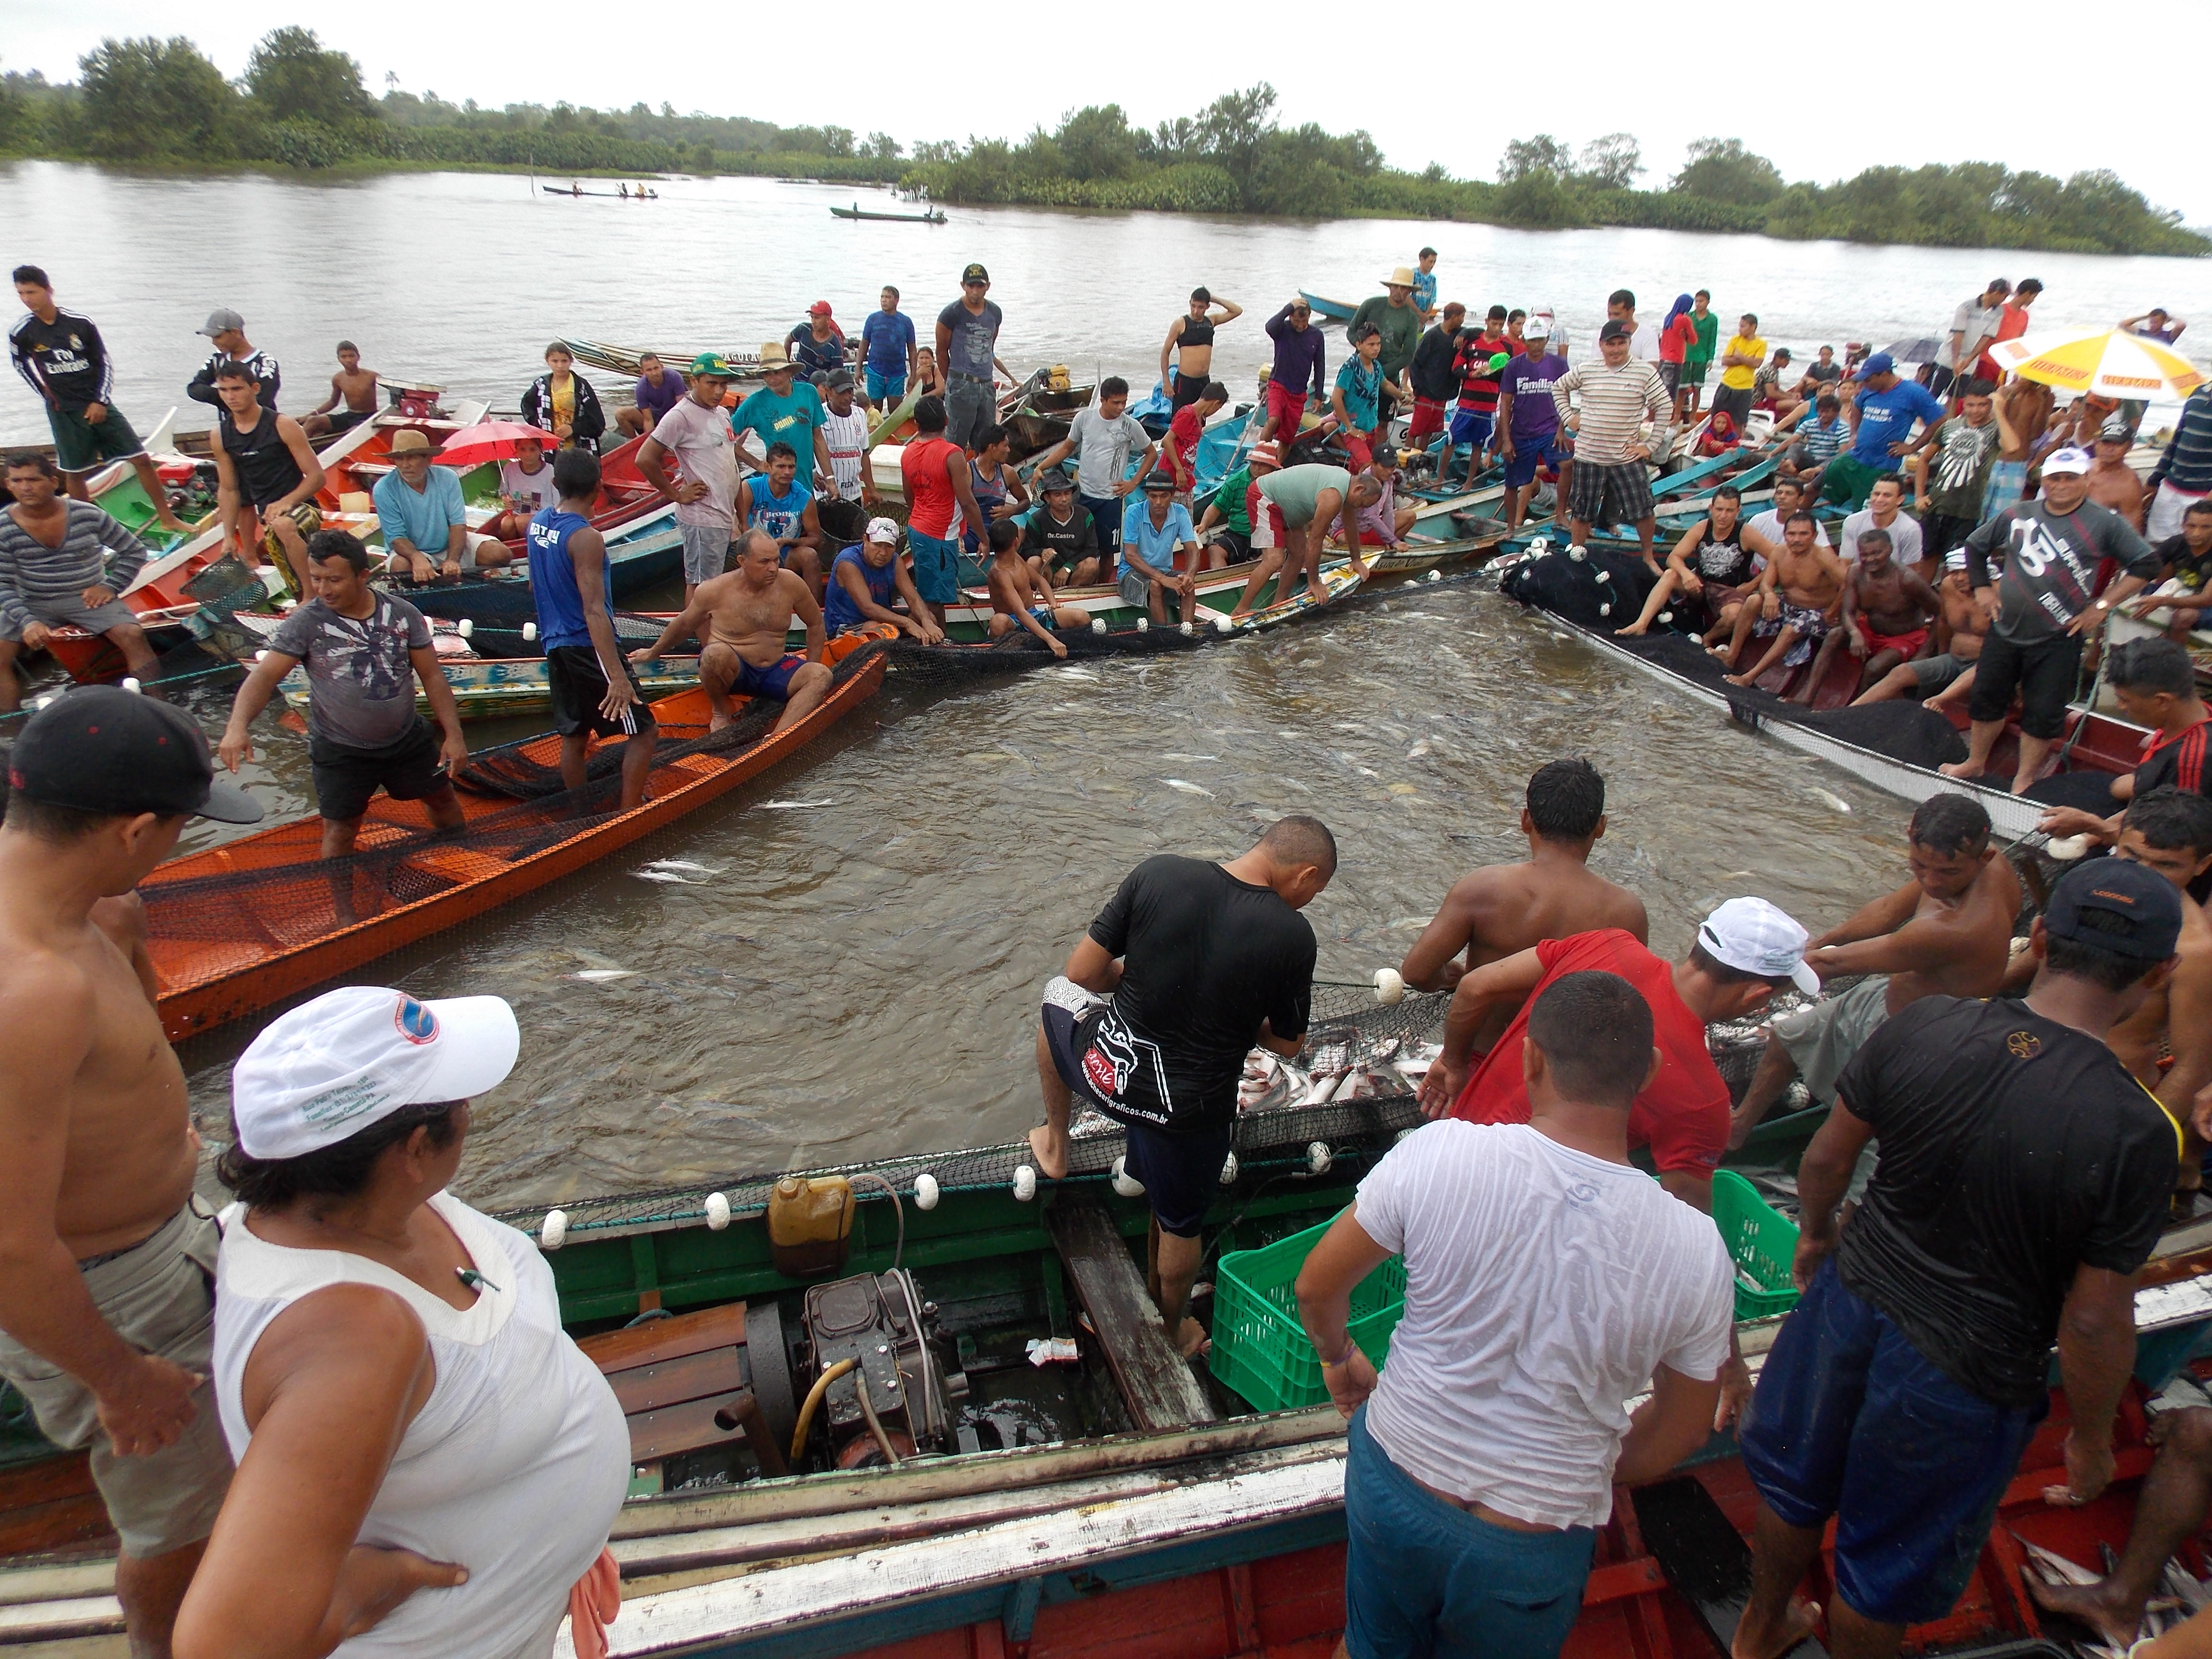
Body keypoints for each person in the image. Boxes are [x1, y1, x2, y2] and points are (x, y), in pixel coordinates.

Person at [1730, 858, 2185, 1659]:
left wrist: (1814, 1235)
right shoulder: (2135, 1130)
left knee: (1795, 1488)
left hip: (1848, 1301)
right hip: (1963, 1372)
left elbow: (1825, 1163)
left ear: (2039, 938)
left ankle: (1761, 1626)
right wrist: (2088, 1436)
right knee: (1883, 1570)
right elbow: (2089, 1315)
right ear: (2158, 974)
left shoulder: (1926, 1025)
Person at [175, 986, 627, 1659]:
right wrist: (358, 1590)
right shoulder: (357, 1340)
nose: (471, 1112)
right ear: (414, 1148)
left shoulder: (346, 1201)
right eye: (460, 1099)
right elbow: (222, 1647)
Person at [1300, 970, 1735, 1659]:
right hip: (1531, 1541)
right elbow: (1681, 1430)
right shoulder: (1696, 1249)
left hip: (1396, 1483)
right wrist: (1576, 1465)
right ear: (1649, 1072)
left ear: (1530, 1057)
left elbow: (1317, 1288)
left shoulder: (1440, 1153)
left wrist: (1340, 1359)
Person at [0, 686, 261, 1657]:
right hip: (114, 1298)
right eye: (178, 830)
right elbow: (12, 1248)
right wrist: (118, 1380)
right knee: (178, 1520)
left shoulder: (98, 911)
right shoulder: (26, 991)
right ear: (133, 828)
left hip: (175, 1230)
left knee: (233, 1464)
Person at [1029, 817, 1336, 1356]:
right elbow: (1288, 1045)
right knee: (1181, 1225)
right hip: (1187, 1115)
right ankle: (1173, 1331)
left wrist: (1127, 981)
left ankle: (1056, 1145)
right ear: (1307, 876)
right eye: (1316, 892)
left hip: (1108, 1076)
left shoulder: (1159, 874)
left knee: (1055, 995)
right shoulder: (1293, 936)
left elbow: (1082, 971)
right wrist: (1246, 1021)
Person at [1418, 896, 1819, 1218]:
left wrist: (1452, 1064)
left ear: (1699, 943)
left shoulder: (1605, 943)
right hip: (1519, 1223)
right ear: (1757, 997)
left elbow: (1475, 986)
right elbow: (1685, 1226)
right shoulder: (1704, 1101)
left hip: (1445, 1161)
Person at [1730, 793, 2019, 1147]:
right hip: (1889, 996)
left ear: (1984, 858)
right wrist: (1820, 941)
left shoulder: (1956, 930)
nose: (1931, 882)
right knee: (1786, 1038)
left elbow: (1831, 965)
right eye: (1919, 867)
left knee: (1850, 1136)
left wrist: (1735, 996)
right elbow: (1886, 913)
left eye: (1947, 873)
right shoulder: (1962, 860)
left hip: (1923, 1041)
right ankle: (1739, 1128)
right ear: (1911, 837)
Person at [219, 529, 468, 858]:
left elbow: (433, 676)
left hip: (406, 738)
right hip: (341, 750)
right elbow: (263, 678)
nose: (323, 590)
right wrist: (237, 727)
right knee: (341, 829)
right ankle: (345, 909)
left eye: (334, 580)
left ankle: (461, 857)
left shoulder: (402, 613)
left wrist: (454, 734)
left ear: (362, 575)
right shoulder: (306, 623)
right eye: (316, 579)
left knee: (442, 799)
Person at [1939, 447, 2160, 793]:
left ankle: (2024, 777)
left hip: (2060, 633)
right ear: (2044, 481)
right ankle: (1975, 762)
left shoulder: (2104, 522)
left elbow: (2147, 565)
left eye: (2070, 478)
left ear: (2086, 480)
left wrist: (2101, 607)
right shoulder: (2018, 514)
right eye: (2055, 478)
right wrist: (1982, 588)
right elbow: (1976, 545)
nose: (2061, 485)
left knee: (2043, 712)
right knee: (1987, 696)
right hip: (2006, 626)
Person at [1398, 757, 1648, 1026]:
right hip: (1567, 1065)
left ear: (1525, 819)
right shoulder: (1628, 912)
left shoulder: (1483, 888)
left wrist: (1452, 979)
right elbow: (1627, 1004)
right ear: (1601, 826)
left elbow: (1417, 972)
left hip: (1484, 1058)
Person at [9, 267, 191, 531]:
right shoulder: (21, 331)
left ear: (49, 291)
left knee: (140, 458)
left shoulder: (80, 323)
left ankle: (167, 518)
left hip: (97, 403)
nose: (27, 299)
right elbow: (21, 366)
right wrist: (45, 393)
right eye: (21, 294)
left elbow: (104, 362)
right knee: (74, 473)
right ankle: (89, 530)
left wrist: (101, 402)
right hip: (64, 412)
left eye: (32, 292)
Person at [528, 449, 656, 811]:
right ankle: (629, 812)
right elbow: (594, 611)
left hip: (555, 644)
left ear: (556, 484)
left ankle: (580, 812)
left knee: (576, 733)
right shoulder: (586, 538)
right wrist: (617, 676)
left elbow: (536, 583)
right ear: (599, 487)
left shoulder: (537, 523)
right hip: (588, 646)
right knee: (644, 732)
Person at [631, 527, 831, 734]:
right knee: (714, 654)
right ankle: (720, 712)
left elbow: (816, 623)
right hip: (734, 673)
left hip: (775, 669)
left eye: (775, 560)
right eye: (764, 562)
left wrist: (811, 663)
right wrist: (653, 652)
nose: (773, 568)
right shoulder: (714, 590)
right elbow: (683, 624)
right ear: (742, 562)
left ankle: (779, 736)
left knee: (820, 675)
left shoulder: (790, 583)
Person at [0, 451, 158, 710]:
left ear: (53, 482)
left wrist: (110, 586)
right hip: (34, 601)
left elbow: (134, 551)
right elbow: (3, 584)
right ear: (8, 485)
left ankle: (157, 707)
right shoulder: (3, 526)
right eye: (16, 481)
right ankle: (10, 727)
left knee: (132, 635)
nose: (25, 487)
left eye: (33, 479)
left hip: (86, 596)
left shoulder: (87, 514)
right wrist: (28, 622)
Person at [2035, 637, 2212, 838]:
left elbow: (2172, 844)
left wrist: (2094, 827)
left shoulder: (2194, 762)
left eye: (2124, 700)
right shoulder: (2187, 719)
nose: (2121, 707)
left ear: (2162, 701)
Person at [1549, 321, 1673, 566]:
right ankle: (1577, 555)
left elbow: (1665, 407)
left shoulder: (1644, 372)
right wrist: (1569, 417)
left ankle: (1648, 556)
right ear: (1601, 346)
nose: (1616, 349)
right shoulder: (1587, 369)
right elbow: (1558, 388)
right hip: (1588, 454)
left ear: (1629, 343)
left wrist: (1649, 446)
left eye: (1622, 343)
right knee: (1582, 511)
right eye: (1611, 344)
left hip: (1626, 456)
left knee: (1644, 510)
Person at [634, 352, 743, 606]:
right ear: (694, 382)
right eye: (711, 383)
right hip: (702, 516)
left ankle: (710, 637)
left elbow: (731, 464)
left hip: (724, 514)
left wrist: (741, 516)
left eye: (723, 384)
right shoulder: (680, 416)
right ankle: (705, 644)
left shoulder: (722, 414)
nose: (718, 391)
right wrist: (677, 495)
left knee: (714, 583)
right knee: (700, 586)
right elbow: (645, 459)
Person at [210, 361, 324, 595]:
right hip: (268, 516)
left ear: (255, 388)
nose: (230, 397)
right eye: (224, 391)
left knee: (283, 525)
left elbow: (317, 477)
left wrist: (287, 502)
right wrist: (230, 537)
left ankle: (310, 596)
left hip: (302, 506)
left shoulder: (282, 425)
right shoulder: (220, 435)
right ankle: (302, 595)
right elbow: (230, 490)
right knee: (277, 530)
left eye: (237, 389)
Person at [1723, 513, 1848, 702]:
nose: (1796, 539)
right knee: (1753, 601)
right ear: (1785, 534)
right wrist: (1770, 595)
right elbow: (1766, 584)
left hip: (1819, 612)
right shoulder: (1779, 552)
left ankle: (1749, 677)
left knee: (1791, 629)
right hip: (1789, 605)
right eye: (1792, 534)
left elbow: (1848, 584)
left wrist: (1832, 611)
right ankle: (1731, 655)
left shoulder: (1823, 557)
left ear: (1814, 536)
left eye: (1803, 534)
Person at [1029, 377, 1157, 561]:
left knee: (1107, 551)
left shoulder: (1131, 426)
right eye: (1116, 403)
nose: (1121, 408)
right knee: (1079, 545)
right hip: (1083, 495)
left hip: (1111, 499)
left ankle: (1101, 585)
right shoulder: (1084, 418)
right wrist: (1040, 467)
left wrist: (1133, 483)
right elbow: (1067, 448)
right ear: (1103, 400)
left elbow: (1151, 453)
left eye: (1124, 402)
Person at [1235, 459, 1378, 616]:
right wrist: (1314, 583)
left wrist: (1356, 560)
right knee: (1274, 560)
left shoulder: (1347, 485)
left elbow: (1350, 526)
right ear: (1359, 489)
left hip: (1287, 507)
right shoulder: (1333, 497)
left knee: (1299, 553)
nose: (1361, 508)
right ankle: (1240, 611)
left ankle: (1279, 603)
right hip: (1264, 497)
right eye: (1363, 504)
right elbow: (1315, 542)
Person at [1613, 485, 1756, 642]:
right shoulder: (1702, 528)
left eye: (1729, 511)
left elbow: (1776, 558)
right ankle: (1641, 624)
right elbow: (1673, 558)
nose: (1723, 516)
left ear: (1738, 511)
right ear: (1711, 508)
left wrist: (1753, 585)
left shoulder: (1746, 533)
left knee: (1734, 616)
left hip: (1730, 591)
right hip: (1701, 585)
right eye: (1719, 509)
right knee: (1670, 574)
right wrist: (1686, 573)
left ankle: (1707, 638)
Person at [1855, 550, 1991, 708]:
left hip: (1986, 664)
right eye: (1955, 573)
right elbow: (1944, 623)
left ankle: (1939, 700)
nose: (1960, 578)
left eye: (1966, 572)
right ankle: (1847, 712)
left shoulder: (1997, 592)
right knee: (1901, 672)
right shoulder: (1949, 586)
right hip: (1954, 659)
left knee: (1984, 667)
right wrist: (1940, 655)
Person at [897, 395, 987, 630]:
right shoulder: (952, 454)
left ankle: (920, 637)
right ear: (947, 420)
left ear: (916, 424)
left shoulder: (907, 453)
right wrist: (984, 539)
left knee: (931, 594)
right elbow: (967, 503)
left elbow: (910, 497)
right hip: (938, 536)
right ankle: (939, 646)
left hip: (917, 528)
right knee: (935, 601)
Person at [373, 429, 506, 583]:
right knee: (401, 567)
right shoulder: (384, 489)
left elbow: (458, 525)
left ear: (429, 460)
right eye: (399, 459)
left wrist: (452, 560)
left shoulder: (448, 478)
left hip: (447, 544)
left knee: (500, 554)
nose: (405, 465)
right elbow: (396, 538)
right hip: (410, 552)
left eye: (411, 458)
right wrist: (417, 558)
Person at [1824, 353, 1947, 512]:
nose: (1865, 383)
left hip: (1883, 463)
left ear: (1885, 375)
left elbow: (1939, 420)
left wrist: (1912, 447)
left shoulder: (1914, 392)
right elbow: (1856, 407)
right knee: (1824, 480)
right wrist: (1854, 433)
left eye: (1869, 379)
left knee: (1867, 508)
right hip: (1857, 455)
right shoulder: (1868, 390)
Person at [1834, 528, 1941, 693]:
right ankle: (1807, 698)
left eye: (1877, 553)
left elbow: (1942, 613)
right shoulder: (1855, 573)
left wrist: (1925, 652)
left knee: (1874, 668)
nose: (1870, 559)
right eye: (1865, 555)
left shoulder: (1908, 580)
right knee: (1833, 636)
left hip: (1905, 637)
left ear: (1890, 550)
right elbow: (1848, 611)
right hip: (1871, 629)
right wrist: (1855, 633)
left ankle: (1858, 709)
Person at [1911, 380, 1999, 561]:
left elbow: (2012, 447)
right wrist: (1920, 496)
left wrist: (2001, 410)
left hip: (1971, 509)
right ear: (1963, 404)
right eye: (1970, 405)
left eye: (1983, 405)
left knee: (1956, 561)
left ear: (1991, 404)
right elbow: (1924, 460)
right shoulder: (1950, 426)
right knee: (1926, 557)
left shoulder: (1997, 429)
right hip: (1938, 503)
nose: (1976, 410)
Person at [1496, 320, 1570, 530]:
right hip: (1522, 431)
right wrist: (1507, 440)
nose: (1536, 345)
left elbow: (1566, 397)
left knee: (1567, 464)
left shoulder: (1559, 364)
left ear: (1546, 340)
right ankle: (1511, 526)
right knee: (1511, 483)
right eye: (1532, 340)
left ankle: (1561, 514)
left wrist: (1562, 429)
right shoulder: (1514, 366)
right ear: (1524, 341)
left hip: (1550, 429)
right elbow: (1506, 404)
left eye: (1540, 340)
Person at [825, 517, 942, 643]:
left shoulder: (895, 561)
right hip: (846, 626)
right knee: (877, 629)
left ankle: (915, 660)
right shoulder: (848, 562)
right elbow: (868, 608)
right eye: (877, 545)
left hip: (882, 620)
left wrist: (927, 621)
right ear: (866, 540)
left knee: (928, 618)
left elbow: (913, 598)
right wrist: (907, 623)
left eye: (889, 547)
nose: (883, 553)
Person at [732, 343, 831, 483]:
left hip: (805, 483)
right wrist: (757, 464)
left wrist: (830, 478)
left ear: (789, 372)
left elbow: (818, 438)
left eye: (777, 372)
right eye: (767, 374)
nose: (772, 379)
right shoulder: (755, 403)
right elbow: (725, 438)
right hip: (776, 485)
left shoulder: (808, 393)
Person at [735, 441, 823, 598]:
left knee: (810, 556)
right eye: (781, 466)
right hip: (754, 552)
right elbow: (740, 525)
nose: (787, 472)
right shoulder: (750, 488)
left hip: (786, 553)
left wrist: (788, 542)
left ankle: (813, 611)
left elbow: (816, 539)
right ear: (768, 467)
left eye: (791, 467)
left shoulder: (804, 497)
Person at [936, 263, 1009, 450]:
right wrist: (952, 381)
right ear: (963, 286)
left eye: (980, 286)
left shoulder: (995, 313)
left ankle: (979, 478)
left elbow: (990, 345)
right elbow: (941, 352)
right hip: (961, 383)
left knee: (986, 442)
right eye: (971, 286)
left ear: (988, 286)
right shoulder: (951, 314)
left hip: (986, 384)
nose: (975, 291)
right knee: (955, 441)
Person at [984, 518, 1083, 653]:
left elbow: (1040, 581)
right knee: (998, 622)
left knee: (1081, 616)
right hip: (1014, 622)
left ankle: (1043, 637)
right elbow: (1019, 613)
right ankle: (1023, 643)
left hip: (1034, 615)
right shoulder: (999, 573)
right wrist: (1050, 640)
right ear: (1016, 541)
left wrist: (1053, 603)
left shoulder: (1016, 558)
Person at [1118, 470, 1202, 625]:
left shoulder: (1180, 512)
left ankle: (1187, 631)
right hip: (1130, 574)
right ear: (1147, 496)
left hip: (1164, 571)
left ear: (1171, 495)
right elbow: (1130, 555)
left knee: (1187, 585)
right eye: (1153, 496)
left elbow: (1193, 550)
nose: (1158, 502)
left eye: (1164, 496)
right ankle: (1165, 634)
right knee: (1156, 585)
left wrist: (1189, 576)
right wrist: (1163, 579)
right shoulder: (1133, 512)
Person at [1349, 271, 1425, 427]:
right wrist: (1366, 357)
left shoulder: (1411, 318)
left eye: (1404, 288)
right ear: (1389, 287)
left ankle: (1379, 452)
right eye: (1395, 286)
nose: (1399, 291)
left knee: (1383, 422)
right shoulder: (1371, 305)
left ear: (1410, 292)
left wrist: (1381, 371)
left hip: (1390, 377)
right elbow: (1351, 333)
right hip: (1360, 373)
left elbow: (1408, 355)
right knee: (1355, 418)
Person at [1447, 306, 1513, 482]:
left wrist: (1492, 372)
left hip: (1489, 405)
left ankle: (1469, 483)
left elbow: (1507, 377)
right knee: (1451, 440)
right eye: (1494, 324)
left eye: (1500, 325)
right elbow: (1456, 368)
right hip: (1466, 403)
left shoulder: (1506, 347)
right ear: (1487, 322)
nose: (1497, 328)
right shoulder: (1472, 341)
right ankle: (1439, 479)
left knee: (1478, 445)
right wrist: (1471, 374)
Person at [2131, 497, 2212, 638]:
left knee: (2184, 617)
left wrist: (2163, 601)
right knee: (2119, 595)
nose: (2196, 533)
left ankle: (2172, 657)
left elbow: (2206, 600)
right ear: (2183, 525)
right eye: (2191, 526)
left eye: (2205, 527)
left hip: (2206, 605)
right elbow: (2146, 568)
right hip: (2178, 592)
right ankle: (2096, 657)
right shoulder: (2176, 543)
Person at [815, 369, 877, 545]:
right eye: (841, 392)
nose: (847, 397)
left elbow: (864, 453)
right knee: (829, 542)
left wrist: (871, 488)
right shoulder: (819, 415)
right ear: (828, 391)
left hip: (854, 493)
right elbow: (807, 448)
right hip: (826, 496)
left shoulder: (859, 414)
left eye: (850, 391)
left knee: (855, 540)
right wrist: (812, 474)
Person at [2146, 383, 2212, 544]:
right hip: (2170, 487)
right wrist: (2155, 479)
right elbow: (2177, 439)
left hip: (2203, 492)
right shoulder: (2198, 393)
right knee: (2156, 544)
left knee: (2194, 546)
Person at [1259, 297, 1327, 449]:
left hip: (1298, 393)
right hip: (1278, 385)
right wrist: (1289, 307)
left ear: (1310, 316)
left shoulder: (1316, 335)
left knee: (1287, 438)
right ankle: (1260, 454)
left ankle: (1276, 465)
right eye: (1297, 321)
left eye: (1304, 321)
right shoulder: (1282, 330)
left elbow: (1320, 365)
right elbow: (1269, 327)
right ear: (1290, 317)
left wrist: (1318, 396)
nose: (1301, 325)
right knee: (1273, 420)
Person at [1404, 302, 1466, 469]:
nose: (1462, 320)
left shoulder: (1458, 334)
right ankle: (1407, 462)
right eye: (1461, 317)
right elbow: (1415, 362)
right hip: (1426, 391)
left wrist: (1465, 332)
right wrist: (1417, 388)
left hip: (1442, 393)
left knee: (1429, 431)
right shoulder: (1432, 336)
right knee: (1415, 430)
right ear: (1453, 317)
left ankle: (1421, 462)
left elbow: (1476, 333)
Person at [1160, 287, 1241, 411]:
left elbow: (1237, 311)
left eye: (1200, 307)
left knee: (1200, 417)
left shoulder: (1211, 321)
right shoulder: (1180, 323)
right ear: (1190, 303)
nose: (1196, 311)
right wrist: (1166, 382)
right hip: (1185, 381)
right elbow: (1166, 352)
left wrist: (1213, 298)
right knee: (1182, 417)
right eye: (1193, 306)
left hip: (1203, 381)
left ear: (1208, 306)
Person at [186, 307, 279, 411]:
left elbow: (263, 400)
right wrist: (224, 395)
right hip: (229, 426)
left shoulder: (265, 363)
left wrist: (227, 396)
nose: (214, 342)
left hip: (263, 425)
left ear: (236, 333)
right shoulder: (217, 359)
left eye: (218, 337)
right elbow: (194, 388)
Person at [519, 342, 605, 454]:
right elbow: (526, 405)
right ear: (547, 361)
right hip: (550, 448)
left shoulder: (581, 386)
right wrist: (540, 425)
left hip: (581, 448)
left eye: (564, 361)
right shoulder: (541, 385)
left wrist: (573, 428)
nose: (560, 366)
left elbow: (597, 422)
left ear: (571, 361)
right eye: (555, 361)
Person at [1333, 325, 1397, 472]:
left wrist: (1402, 396)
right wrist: (1350, 428)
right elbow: (1336, 398)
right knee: (1369, 466)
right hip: (1353, 430)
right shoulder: (1350, 368)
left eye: (1378, 344)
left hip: (1370, 426)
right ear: (1359, 345)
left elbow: (1385, 384)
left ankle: (1349, 487)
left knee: (1358, 467)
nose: (1376, 348)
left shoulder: (1376, 366)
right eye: (1371, 345)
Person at [1934, 277, 2011, 399]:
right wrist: (1956, 362)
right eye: (2004, 296)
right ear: (1997, 293)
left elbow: (1986, 338)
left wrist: (1970, 359)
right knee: (1934, 393)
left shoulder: (1999, 312)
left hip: (1970, 361)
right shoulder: (1967, 307)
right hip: (1949, 356)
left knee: (1957, 397)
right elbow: (1958, 334)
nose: (2004, 300)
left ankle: (1949, 419)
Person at [476, 433, 561, 543]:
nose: (527, 454)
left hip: (544, 517)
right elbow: (504, 492)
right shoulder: (509, 469)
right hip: (517, 514)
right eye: (522, 450)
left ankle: (531, 547)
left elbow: (558, 504)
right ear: (516, 451)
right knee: (506, 523)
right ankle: (514, 549)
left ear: (540, 451)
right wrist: (506, 500)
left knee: (522, 521)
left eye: (532, 450)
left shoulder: (550, 471)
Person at [1024, 469, 1102, 587]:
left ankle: (1070, 594)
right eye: (1058, 495)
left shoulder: (1085, 515)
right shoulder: (1037, 519)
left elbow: (1092, 550)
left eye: (1067, 493)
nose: (1064, 499)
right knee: (1033, 562)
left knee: (1092, 565)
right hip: (1049, 571)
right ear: (1047, 498)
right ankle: (1045, 594)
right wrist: (1042, 552)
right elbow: (1026, 551)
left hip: (1075, 571)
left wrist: (1068, 567)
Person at [1839, 473, 1924, 570]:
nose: (1879, 500)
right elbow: (1845, 566)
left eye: (1887, 495)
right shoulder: (1852, 522)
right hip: (1859, 580)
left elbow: (1911, 573)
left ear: (1900, 500)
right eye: (1876, 494)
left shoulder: (1910, 529)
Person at [301, 340, 380, 441]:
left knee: (350, 434)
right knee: (312, 421)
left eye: (352, 356)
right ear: (339, 359)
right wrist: (309, 415)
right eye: (344, 357)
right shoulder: (338, 378)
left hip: (369, 417)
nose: (348, 360)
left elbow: (394, 392)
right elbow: (333, 402)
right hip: (349, 416)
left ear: (358, 357)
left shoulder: (372, 376)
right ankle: (297, 451)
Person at [1164, 382, 1226, 498]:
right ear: (1216, 403)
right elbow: (1167, 441)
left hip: (1186, 479)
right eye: (1219, 408)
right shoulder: (1188, 414)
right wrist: (1179, 470)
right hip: (1173, 477)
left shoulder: (1200, 418)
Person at [1779, 394, 1851, 494]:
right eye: (1821, 412)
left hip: (1827, 463)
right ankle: (1790, 464)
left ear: (1836, 413)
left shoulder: (1844, 428)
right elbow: (1792, 440)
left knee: (1837, 459)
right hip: (1811, 458)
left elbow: (1842, 453)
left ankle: (1814, 472)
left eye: (1827, 412)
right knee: (1796, 446)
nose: (1823, 415)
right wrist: (1773, 453)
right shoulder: (1810, 424)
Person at [862, 286, 919, 409]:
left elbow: (912, 349)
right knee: (875, 410)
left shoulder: (906, 322)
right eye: (882, 297)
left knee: (895, 409)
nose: (884, 300)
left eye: (888, 297)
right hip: (875, 371)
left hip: (897, 373)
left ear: (897, 300)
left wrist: (913, 375)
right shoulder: (873, 319)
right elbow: (864, 344)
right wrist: (857, 368)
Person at [2088, 415, 2148, 530]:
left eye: (2117, 444)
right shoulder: (2083, 466)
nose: (2110, 449)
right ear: (2097, 443)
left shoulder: (2129, 484)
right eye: (2106, 443)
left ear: (2129, 447)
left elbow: (2132, 528)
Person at [613, 349, 686, 440]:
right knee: (621, 414)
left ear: (662, 367)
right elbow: (648, 420)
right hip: (653, 416)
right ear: (643, 372)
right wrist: (651, 441)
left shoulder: (674, 377)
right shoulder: (641, 387)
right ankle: (633, 443)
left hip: (673, 414)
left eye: (656, 368)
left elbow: (683, 408)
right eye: (649, 370)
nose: (654, 373)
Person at [1585, 289, 1660, 366]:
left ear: (1631, 311)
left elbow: (1652, 369)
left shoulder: (1648, 335)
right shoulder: (1600, 335)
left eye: (1617, 314)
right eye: (1610, 314)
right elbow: (1595, 365)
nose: (1612, 318)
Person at [1657, 293, 1697, 414]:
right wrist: (1686, 335)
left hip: (1664, 358)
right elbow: (1694, 340)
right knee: (1672, 394)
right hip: (1676, 360)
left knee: (1663, 390)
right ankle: (1668, 419)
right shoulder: (1685, 320)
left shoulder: (1668, 318)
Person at [786, 300, 846, 382]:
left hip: (818, 388)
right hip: (798, 381)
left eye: (817, 318)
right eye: (812, 317)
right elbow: (788, 341)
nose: (813, 322)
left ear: (828, 320)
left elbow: (837, 375)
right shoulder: (804, 329)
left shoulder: (835, 345)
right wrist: (787, 365)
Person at [1681, 289, 1718, 416]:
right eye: (1697, 301)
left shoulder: (1712, 319)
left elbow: (1712, 340)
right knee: (1682, 388)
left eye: (1701, 301)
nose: (1698, 304)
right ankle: (1678, 414)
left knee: (1697, 389)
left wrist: (1711, 359)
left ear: (1708, 302)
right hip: (1686, 356)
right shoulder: (1689, 316)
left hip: (1701, 357)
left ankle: (1693, 416)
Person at [2124, 307, 2189, 345]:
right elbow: (2123, 325)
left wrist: (2170, 318)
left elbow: (2181, 326)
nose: (2152, 325)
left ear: (2163, 322)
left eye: (2156, 323)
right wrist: (2146, 316)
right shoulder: (2142, 333)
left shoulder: (2168, 336)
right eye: (2151, 322)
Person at [1410, 247, 1439, 321]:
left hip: (1424, 317)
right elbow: (1407, 297)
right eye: (1431, 262)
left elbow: (1432, 299)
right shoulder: (1412, 274)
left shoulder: (1433, 279)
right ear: (1422, 259)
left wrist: (1425, 316)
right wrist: (1419, 314)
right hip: (1410, 315)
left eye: (1434, 262)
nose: (1433, 265)